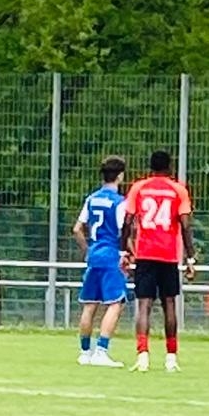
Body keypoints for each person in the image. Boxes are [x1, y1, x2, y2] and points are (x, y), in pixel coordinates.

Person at [123, 149, 194, 372]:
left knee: (144, 304)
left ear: (150, 167)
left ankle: (143, 356)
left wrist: (123, 251)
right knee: (169, 304)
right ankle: (171, 358)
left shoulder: (139, 187)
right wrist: (191, 257)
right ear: (169, 167)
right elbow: (185, 225)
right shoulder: (178, 190)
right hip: (168, 254)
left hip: (145, 253)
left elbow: (127, 222)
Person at [74, 156, 129, 368]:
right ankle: (101, 351)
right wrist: (126, 253)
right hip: (111, 256)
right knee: (116, 303)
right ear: (120, 176)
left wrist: (88, 251)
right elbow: (123, 231)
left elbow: (77, 229)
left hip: (95, 256)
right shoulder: (119, 202)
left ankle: (84, 352)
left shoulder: (91, 199)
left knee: (90, 305)